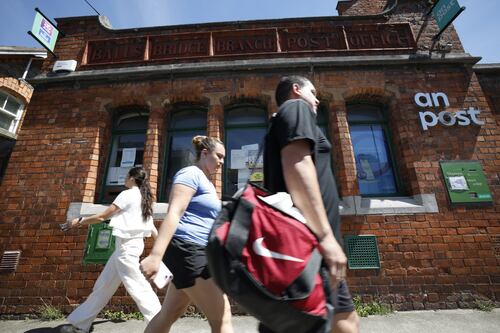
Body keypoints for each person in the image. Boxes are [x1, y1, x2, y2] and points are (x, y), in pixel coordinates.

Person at [261, 76, 360, 333]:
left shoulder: (281, 119)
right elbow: (297, 164)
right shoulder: (296, 108)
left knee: (340, 322)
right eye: (312, 92)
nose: (317, 99)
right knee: (344, 323)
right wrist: (325, 237)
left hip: (302, 247)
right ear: (296, 90)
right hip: (309, 245)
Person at [140, 135, 233, 333]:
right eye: (219, 156)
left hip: (195, 251)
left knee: (169, 314)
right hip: (188, 250)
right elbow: (174, 212)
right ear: (205, 153)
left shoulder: (206, 182)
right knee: (222, 317)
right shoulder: (190, 174)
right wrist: (156, 256)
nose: (222, 162)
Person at [59, 167, 161, 333]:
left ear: (132, 178)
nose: (124, 178)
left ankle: (160, 324)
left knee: (139, 287)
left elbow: (102, 216)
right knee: (104, 285)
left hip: (126, 249)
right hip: (127, 248)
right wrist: (161, 250)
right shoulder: (145, 198)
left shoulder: (127, 195)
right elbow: (153, 230)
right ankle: (80, 324)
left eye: (127, 175)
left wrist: (78, 221)